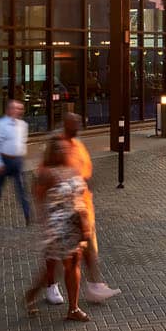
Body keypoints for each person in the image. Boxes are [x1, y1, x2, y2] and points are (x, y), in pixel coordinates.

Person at [50, 112, 120, 303]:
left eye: (79, 123)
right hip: (64, 209)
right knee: (58, 254)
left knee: (87, 247)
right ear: (66, 124)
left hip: (82, 206)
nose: (78, 126)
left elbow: (85, 171)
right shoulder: (58, 145)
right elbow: (48, 175)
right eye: (75, 123)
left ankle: (93, 286)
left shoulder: (77, 144)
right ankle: (48, 285)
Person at [25, 137, 91, 323]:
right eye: (59, 150)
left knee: (72, 264)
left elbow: (81, 194)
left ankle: (72, 308)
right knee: (64, 266)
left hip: (75, 222)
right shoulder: (46, 174)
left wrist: (84, 219)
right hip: (57, 225)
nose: (63, 152)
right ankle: (35, 296)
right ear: (52, 153)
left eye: (64, 149)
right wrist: (44, 224)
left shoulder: (73, 169)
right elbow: (38, 199)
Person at [0, 100, 31, 226]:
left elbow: (23, 141)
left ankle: (27, 214)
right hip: (4, 160)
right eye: (15, 108)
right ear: (9, 110)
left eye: (20, 108)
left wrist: (21, 155)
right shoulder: (0, 124)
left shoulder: (23, 125)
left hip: (17, 160)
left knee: (21, 188)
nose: (18, 111)